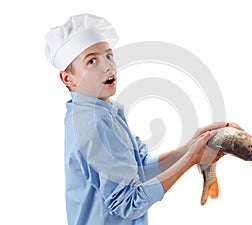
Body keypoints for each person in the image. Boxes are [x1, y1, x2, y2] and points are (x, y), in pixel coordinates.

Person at [45, 13, 230, 225]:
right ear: (67, 78)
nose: (107, 66)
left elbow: (138, 169)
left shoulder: (103, 111)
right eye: (91, 61)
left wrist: (190, 147)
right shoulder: (92, 124)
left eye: (109, 55)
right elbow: (128, 202)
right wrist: (190, 159)